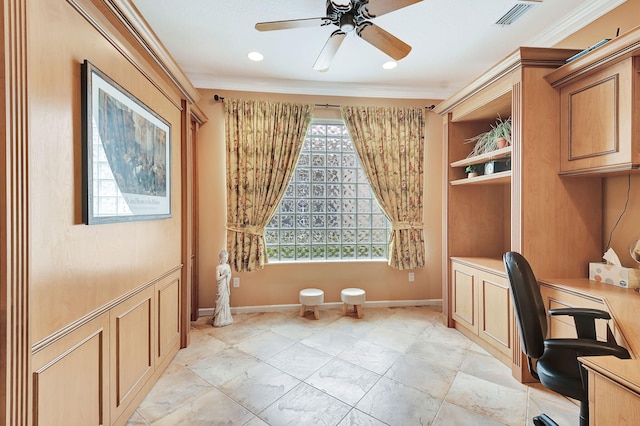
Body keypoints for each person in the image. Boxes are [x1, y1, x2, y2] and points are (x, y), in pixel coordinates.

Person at [213, 250, 233, 327]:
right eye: (224, 258)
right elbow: (217, 278)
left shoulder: (228, 266)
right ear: (220, 258)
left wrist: (227, 275)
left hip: (226, 286)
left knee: (226, 301)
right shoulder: (218, 267)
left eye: (226, 257)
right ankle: (219, 319)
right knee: (220, 300)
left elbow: (230, 274)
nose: (225, 259)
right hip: (221, 286)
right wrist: (224, 275)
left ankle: (226, 318)